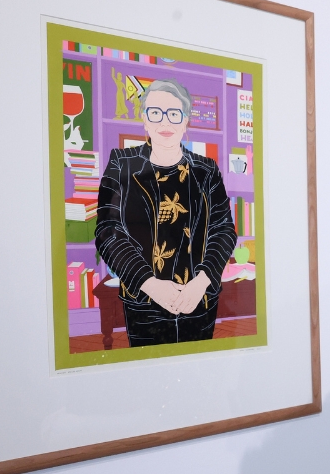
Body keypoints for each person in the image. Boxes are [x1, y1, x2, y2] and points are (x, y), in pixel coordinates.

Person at [96, 78, 236, 347]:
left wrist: (201, 283)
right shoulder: (121, 164)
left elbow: (224, 230)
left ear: (185, 122)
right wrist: (150, 284)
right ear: (145, 120)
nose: (165, 122)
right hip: (144, 304)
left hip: (199, 301)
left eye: (174, 114)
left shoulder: (206, 170)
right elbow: (108, 233)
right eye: (155, 113)